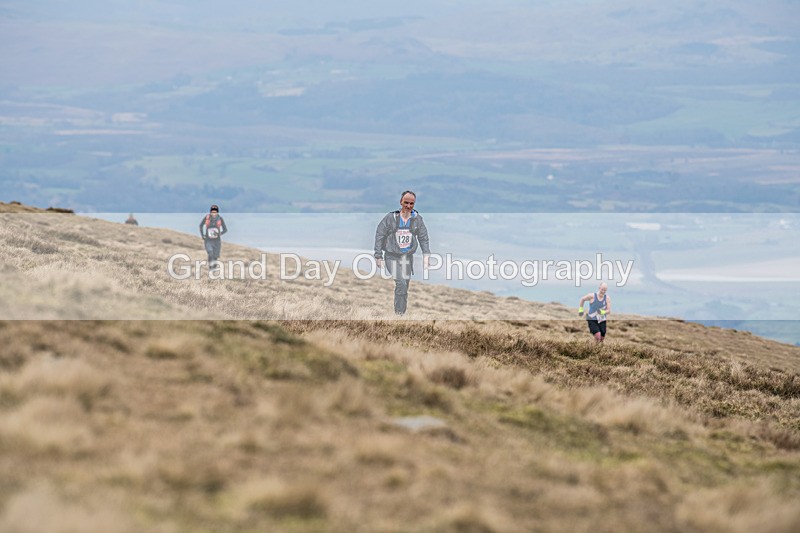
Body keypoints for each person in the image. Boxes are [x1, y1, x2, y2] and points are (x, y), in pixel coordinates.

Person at [374, 190, 431, 315]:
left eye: (411, 203)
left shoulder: (417, 220)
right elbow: (380, 234)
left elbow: (423, 237)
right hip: (391, 256)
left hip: (407, 258)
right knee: (401, 283)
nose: (408, 206)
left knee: (404, 287)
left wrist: (426, 254)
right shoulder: (391, 218)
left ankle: (400, 315)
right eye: (406, 203)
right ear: (401, 202)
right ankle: (398, 313)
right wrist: (378, 256)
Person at [199, 204, 228, 270]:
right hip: (208, 240)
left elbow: (225, 230)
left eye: (215, 212)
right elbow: (200, 225)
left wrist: (220, 233)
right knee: (210, 252)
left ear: (217, 212)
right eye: (212, 212)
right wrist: (202, 235)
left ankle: (213, 269)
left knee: (215, 256)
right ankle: (210, 268)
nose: (214, 213)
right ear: (210, 212)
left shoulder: (220, 219)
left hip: (217, 241)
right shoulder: (206, 218)